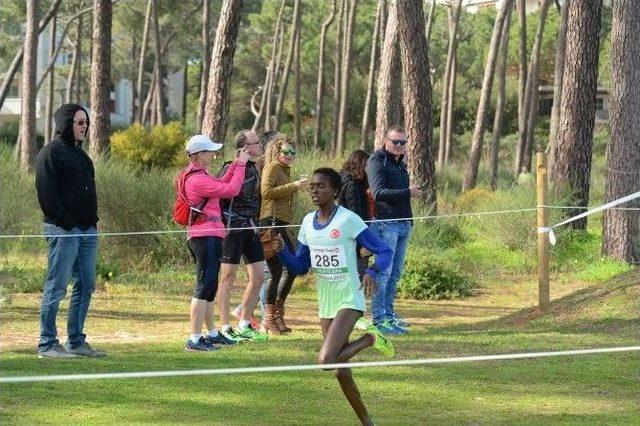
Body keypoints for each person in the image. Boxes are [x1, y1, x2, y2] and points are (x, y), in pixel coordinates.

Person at [274, 167, 394, 425]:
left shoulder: (348, 220)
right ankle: (367, 422)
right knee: (341, 372)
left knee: (326, 361)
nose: (315, 190)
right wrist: (281, 251)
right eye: (312, 186)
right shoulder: (307, 222)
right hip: (325, 301)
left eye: (321, 186)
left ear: (335, 191)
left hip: (350, 297)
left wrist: (373, 270)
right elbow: (300, 267)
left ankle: (370, 338)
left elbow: (384, 250)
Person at [35, 103, 105, 358]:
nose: (85, 126)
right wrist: (67, 224)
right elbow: (47, 196)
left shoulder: (82, 156)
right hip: (63, 230)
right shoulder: (50, 153)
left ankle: (75, 341)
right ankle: (47, 344)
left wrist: (91, 222)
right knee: (57, 286)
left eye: (86, 122)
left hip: (87, 231)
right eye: (79, 122)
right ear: (66, 123)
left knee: (86, 284)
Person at [182, 134, 250, 351]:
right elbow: (230, 190)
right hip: (204, 236)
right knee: (203, 286)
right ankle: (194, 338)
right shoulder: (197, 179)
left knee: (209, 285)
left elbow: (221, 184)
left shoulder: (202, 175)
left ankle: (210, 333)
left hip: (209, 234)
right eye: (210, 152)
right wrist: (240, 166)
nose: (213, 154)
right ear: (200, 155)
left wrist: (236, 165)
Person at [366, 125, 422, 334]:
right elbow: (378, 192)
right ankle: (379, 319)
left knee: (395, 273)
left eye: (402, 143)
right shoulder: (377, 161)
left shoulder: (400, 164)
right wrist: (407, 192)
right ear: (385, 141)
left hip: (403, 223)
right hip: (385, 224)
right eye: (395, 142)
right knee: (383, 273)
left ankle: (389, 316)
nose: (399, 146)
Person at [216, 130, 268, 342]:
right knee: (227, 278)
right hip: (232, 229)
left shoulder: (254, 168)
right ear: (245, 147)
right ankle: (225, 325)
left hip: (251, 228)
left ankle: (245, 322)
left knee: (259, 276)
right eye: (256, 143)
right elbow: (220, 194)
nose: (260, 146)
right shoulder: (229, 167)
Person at [259, 134, 308, 334]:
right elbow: (266, 192)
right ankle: (269, 319)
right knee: (277, 271)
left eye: (293, 152)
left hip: (280, 224)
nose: (290, 155)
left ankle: (277, 314)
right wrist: (293, 186)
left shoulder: (284, 169)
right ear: (277, 152)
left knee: (291, 268)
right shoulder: (272, 167)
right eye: (286, 151)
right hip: (271, 224)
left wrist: (295, 186)